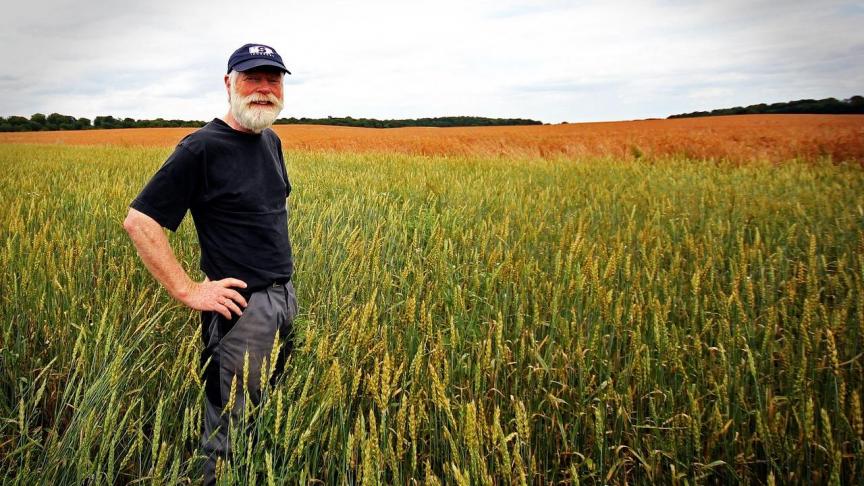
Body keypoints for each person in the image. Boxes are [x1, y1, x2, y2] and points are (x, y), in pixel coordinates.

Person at [123, 43, 297, 485]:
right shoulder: (201, 147)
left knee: (266, 411)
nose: (263, 89)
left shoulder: (270, 141)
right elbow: (140, 221)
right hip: (240, 312)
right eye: (251, 79)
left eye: (272, 79)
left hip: (282, 299)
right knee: (228, 428)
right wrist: (188, 290)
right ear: (228, 84)